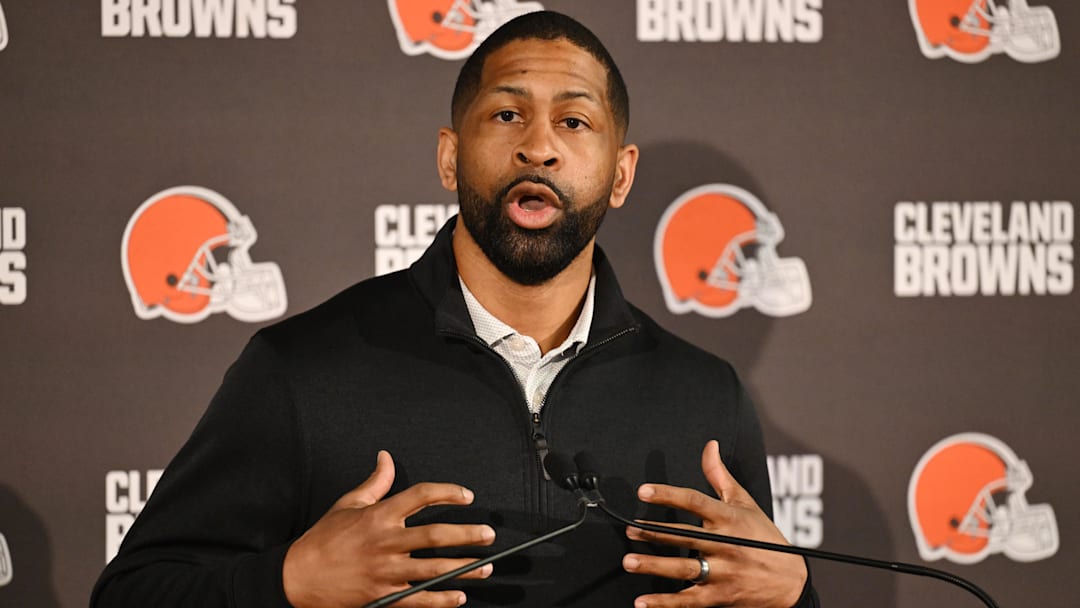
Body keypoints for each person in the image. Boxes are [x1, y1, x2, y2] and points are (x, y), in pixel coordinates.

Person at [92, 11, 817, 608]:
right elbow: (132, 595)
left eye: (574, 122)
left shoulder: (704, 396)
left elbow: (759, 589)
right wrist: (288, 582)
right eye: (507, 114)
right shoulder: (303, 372)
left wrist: (794, 599)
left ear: (620, 174)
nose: (539, 147)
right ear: (449, 158)